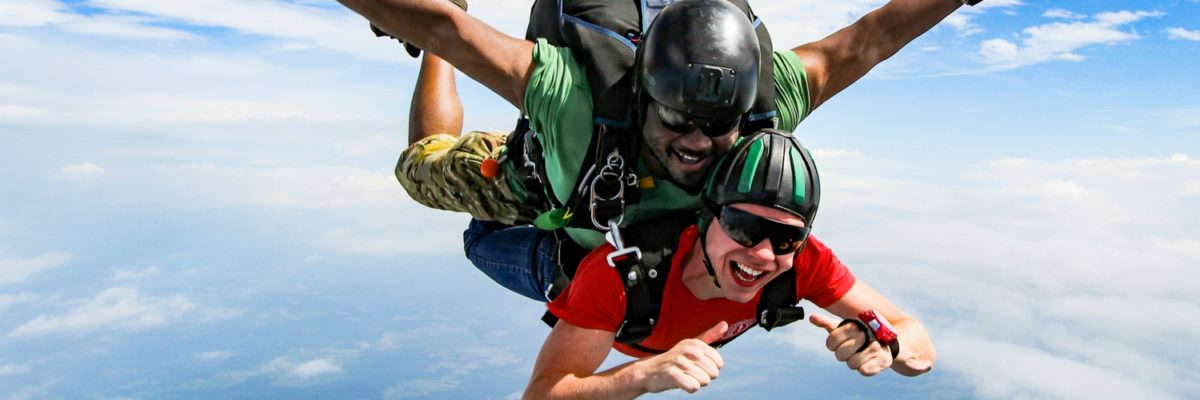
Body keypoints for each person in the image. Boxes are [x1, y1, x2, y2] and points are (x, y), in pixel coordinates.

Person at [340, 0, 980, 301]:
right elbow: (448, 28)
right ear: (646, 97)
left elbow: (872, 37)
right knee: (423, 165)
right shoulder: (576, 96)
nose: (699, 142)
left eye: (717, 125)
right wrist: (412, 22)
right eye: (678, 121)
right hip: (538, 182)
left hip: (605, 199)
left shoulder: (767, 97)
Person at [524, 129, 935, 397]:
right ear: (707, 219)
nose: (762, 253)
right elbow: (541, 393)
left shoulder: (802, 262)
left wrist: (888, 343)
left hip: (619, 312)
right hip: (555, 266)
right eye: (742, 226)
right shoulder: (620, 272)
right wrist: (642, 375)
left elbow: (919, 345)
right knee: (479, 239)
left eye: (786, 237)